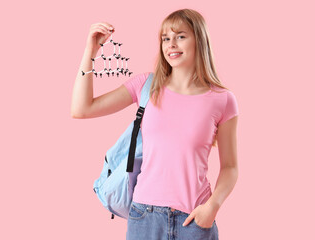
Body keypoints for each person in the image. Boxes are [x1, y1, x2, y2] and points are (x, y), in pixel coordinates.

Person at [71, 8, 239, 240]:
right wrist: (91, 50)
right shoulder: (145, 86)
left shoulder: (223, 99)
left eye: (180, 36)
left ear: (199, 39)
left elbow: (230, 166)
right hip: (144, 217)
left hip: (194, 219)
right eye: (165, 38)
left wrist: (212, 207)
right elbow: (82, 109)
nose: (171, 44)